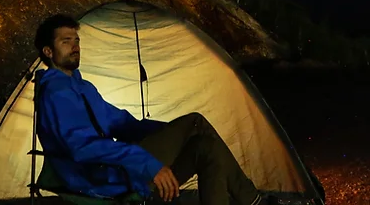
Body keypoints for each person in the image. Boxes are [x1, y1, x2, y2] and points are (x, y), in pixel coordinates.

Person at [33, 13, 276, 205]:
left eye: (77, 40)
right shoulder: (55, 93)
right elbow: (82, 147)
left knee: (205, 146)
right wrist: (148, 163)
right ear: (48, 51)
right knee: (195, 122)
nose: (75, 47)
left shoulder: (83, 87)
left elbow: (121, 123)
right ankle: (253, 201)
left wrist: (170, 134)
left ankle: (251, 201)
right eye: (66, 41)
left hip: (115, 169)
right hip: (99, 177)